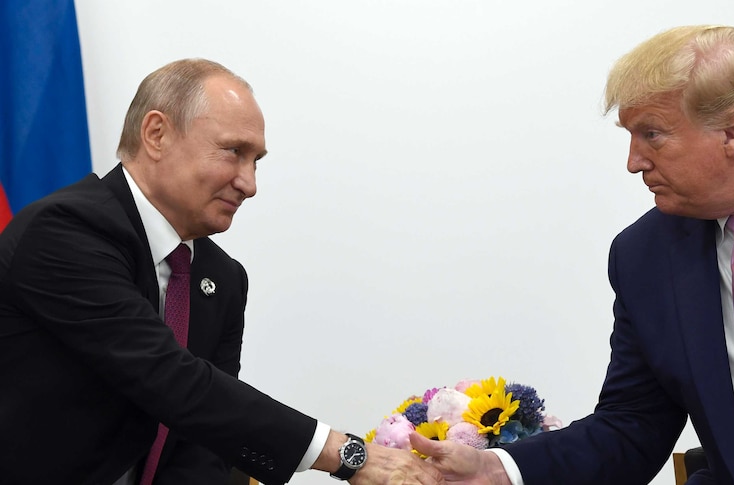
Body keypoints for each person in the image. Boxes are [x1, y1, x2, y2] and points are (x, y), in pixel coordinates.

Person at [412, 25, 734, 485]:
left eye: (652, 135)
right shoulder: (644, 257)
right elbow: (632, 427)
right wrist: (497, 467)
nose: (634, 162)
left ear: (732, 131)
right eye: (631, 136)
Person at [0, 58, 444, 485]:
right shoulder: (64, 230)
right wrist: (345, 456)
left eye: (256, 161)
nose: (250, 184)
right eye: (233, 152)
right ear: (156, 134)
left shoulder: (222, 276)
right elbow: (170, 378)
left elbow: (204, 440)